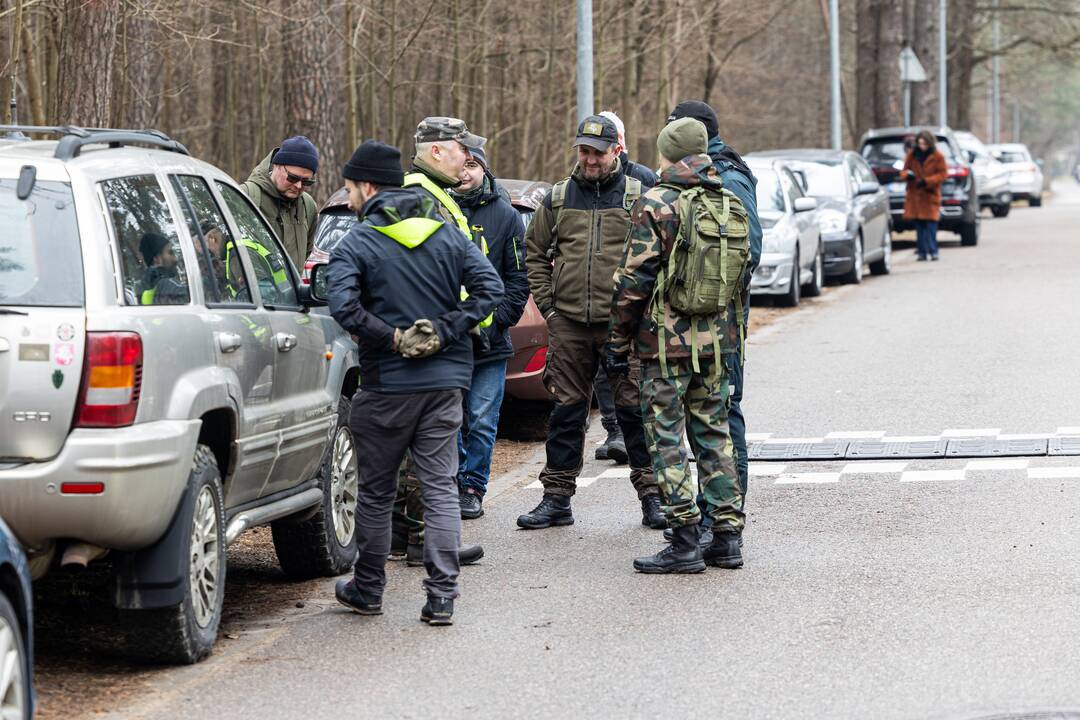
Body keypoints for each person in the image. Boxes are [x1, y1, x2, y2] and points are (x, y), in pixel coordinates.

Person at [327, 140, 503, 626]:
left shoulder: (358, 242)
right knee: (441, 487)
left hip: (385, 386)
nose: (350, 198)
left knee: (378, 492)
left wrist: (394, 338)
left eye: (349, 189)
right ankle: (442, 597)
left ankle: (368, 590)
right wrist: (443, 331)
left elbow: (341, 306)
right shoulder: (449, 237)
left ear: (366, 187)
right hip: (447, 383)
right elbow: (491, 290)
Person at [607, 118, 748, 573]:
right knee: (715, 437)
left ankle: (684, 540)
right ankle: (727, 538)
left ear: (668, 154)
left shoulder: (656, 204)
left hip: (664, 348)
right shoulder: (728, 203)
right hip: (718, 345)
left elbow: (633, 282)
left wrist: (617, 341)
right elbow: (742, 280)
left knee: (666, 439)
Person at [519, 114, 665, 531]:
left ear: (616, 151)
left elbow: (660, 257)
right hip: (568, 324)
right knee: (566, 413)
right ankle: (557, 498)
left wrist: (641, 313)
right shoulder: (559, 197)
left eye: (597, 152)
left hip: (625, 325)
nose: (589, 159)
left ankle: (652, 497)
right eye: (583, 151)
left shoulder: (640, 194)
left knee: (634, 411)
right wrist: (548, 308)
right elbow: (535, 253)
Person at [664, 100, 761, 548]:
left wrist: (708, 297)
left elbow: (748, 251)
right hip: (693, 325)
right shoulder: (706, 173)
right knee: (711, 413)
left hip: (720, 323)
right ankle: (715, 519)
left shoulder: (728, 176)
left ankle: (724, 520)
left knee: (722, 413)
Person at [450, 146, 530, 519]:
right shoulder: (437, 211)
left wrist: (496, 322)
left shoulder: (507, 216)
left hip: (490, 343)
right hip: (448, 341)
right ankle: (447, 483)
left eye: (472, 165)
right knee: (449, 419)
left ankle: (472, 486)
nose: (465, 173)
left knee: (482, 419)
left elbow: (518, 279)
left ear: (484, 168)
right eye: (460, 164)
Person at [593, 110, 658, 464]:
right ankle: (614, 429)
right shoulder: (583, 184)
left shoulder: (644, 180)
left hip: (634, 298)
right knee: (604, 370)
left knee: (631, 369)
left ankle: (636, 430)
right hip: (598, 303)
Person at [241, 135, 320, 270]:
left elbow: (308, 255)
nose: (299, 186)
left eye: (307, 181)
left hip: (293, 290)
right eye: (293, 177)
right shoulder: (247, 196)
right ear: (277, 165)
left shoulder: (308, 206)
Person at [405, 116, 485, 238]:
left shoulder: (432, 190)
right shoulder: (416, 199)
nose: (470, 157)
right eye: (463, 149)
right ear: (436, 152)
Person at [903, 130, 947, 261]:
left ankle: (933, 251)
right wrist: (908, 176)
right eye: (920, 143)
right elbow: (904, 170)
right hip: (915, 195)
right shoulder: (912, 155)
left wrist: (927, 181)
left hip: (929, 195)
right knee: (919, 226)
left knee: (931, 225)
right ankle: (922, 252)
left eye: (924, 144)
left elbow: (942, 174)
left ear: (930, 143)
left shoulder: (938, 156)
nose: (922, 146)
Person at [137, 232, 187, 305]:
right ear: (157, 259)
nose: (175, 259)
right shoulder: (166, 284)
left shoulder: (142, 286)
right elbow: (197, 296)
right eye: (170, 253)